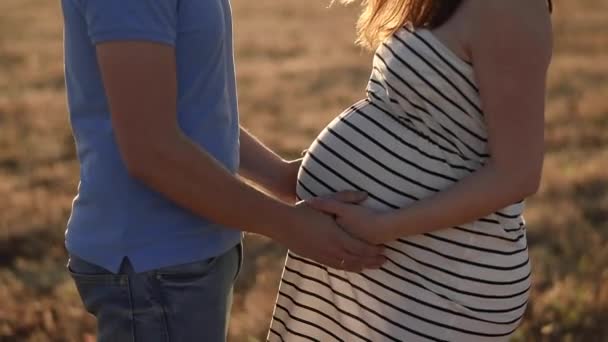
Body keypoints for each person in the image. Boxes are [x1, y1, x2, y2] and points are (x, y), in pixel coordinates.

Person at [59, 0, 385, 341]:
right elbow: (150, 149)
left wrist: (284, 180)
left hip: (185, 256)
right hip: (154, 263)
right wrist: (291, 226)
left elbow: (192, 113)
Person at [268, 0, 553, 340]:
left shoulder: (510, 8)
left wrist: (385, 225)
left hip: (443, 279)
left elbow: (517, 174)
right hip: (386, 265)